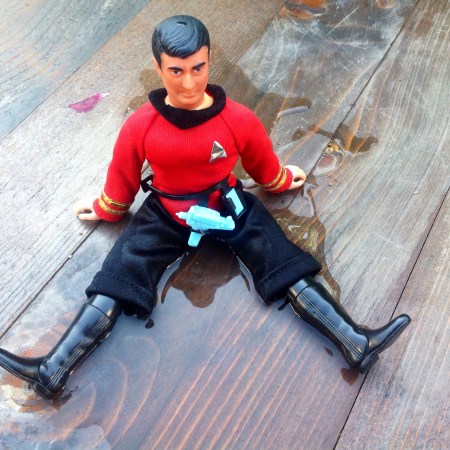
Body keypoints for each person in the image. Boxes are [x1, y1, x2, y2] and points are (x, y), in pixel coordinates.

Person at [0, 15, 410, 401]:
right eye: (176, 71)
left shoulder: (236, 118)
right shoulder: (141, 125)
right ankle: (53, 369)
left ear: (209, 60)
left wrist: (281, 180)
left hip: (225, 202)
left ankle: (353, 341)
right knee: (120, 272)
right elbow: (122, 176)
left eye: (198, 68)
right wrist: (108, 208)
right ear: (159, 68)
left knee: (281, 257)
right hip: (166, 210)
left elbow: (261, 163)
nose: (189, 82)